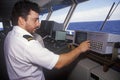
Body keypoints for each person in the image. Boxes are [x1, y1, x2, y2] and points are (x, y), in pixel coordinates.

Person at [4, 0, 90, 80]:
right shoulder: (27, 43)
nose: (38, 24)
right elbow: (59, 63)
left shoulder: (10, 34)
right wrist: (80, 49)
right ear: (21, 21)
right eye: (35, 20)